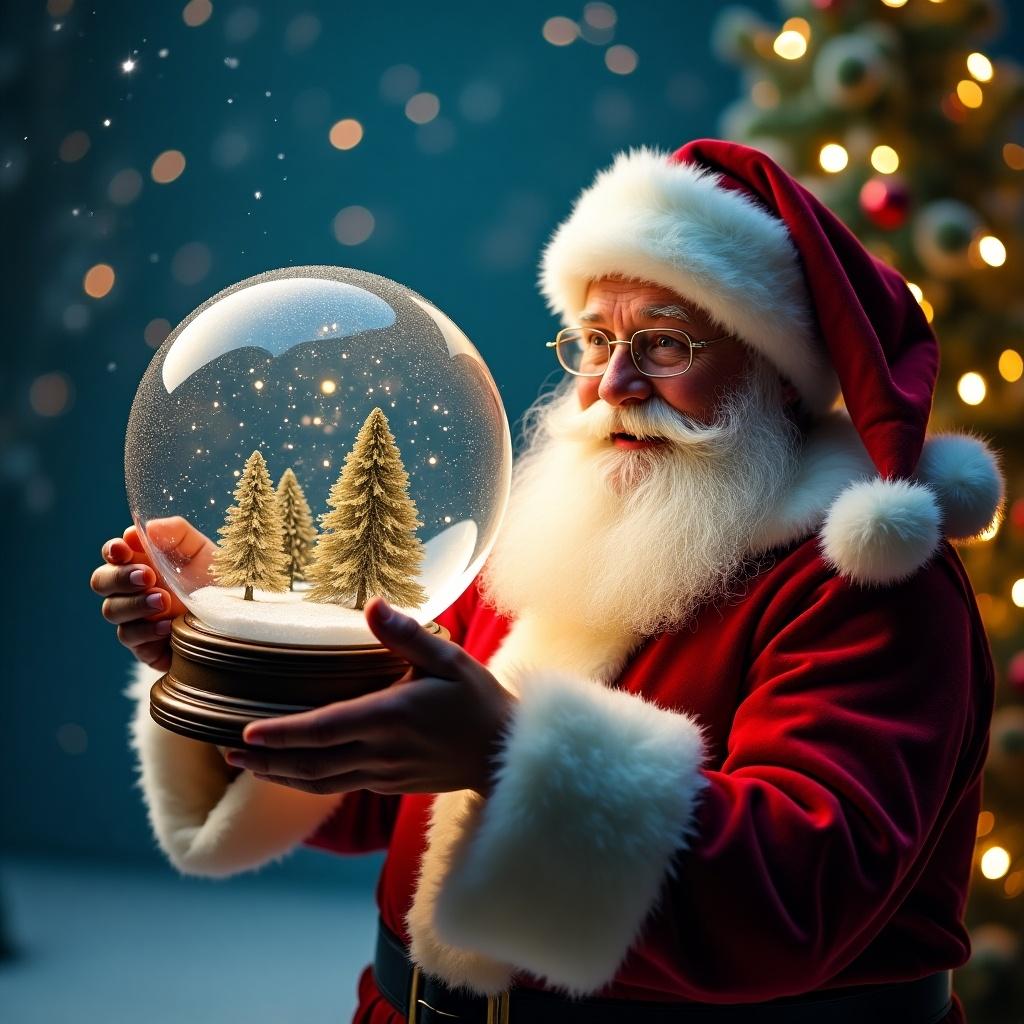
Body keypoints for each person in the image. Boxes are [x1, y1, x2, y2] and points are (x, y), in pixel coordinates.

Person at [91, 140, 1003, 1023]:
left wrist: (505, 757)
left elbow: (798, 898)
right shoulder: (570, 537)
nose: (612, 383)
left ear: (779, 374)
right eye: (595, 339)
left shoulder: (864, 587)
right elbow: (377, 786)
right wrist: (233, 643)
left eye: (665, 344)